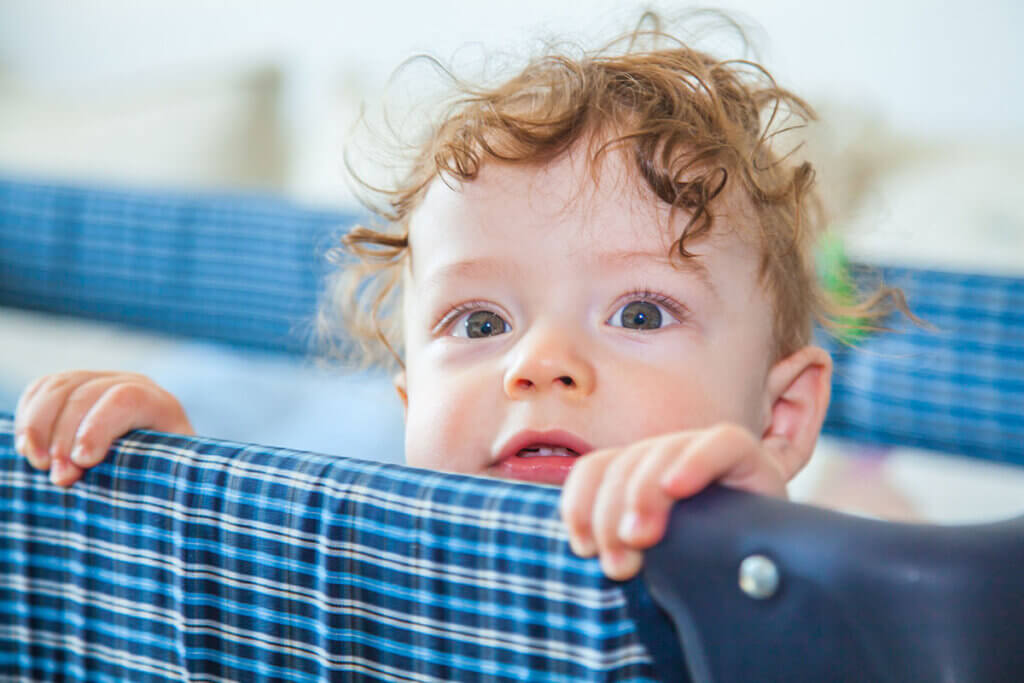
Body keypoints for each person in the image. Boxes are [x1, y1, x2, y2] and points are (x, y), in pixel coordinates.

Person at [11, 14, 901, 581]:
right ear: (410, 407)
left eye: (639, 312)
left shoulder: (792, 588)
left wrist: (755, 550)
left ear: (781, 422)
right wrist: (168, 493)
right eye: (482, 322)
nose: (539, 363)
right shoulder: (364, 558)